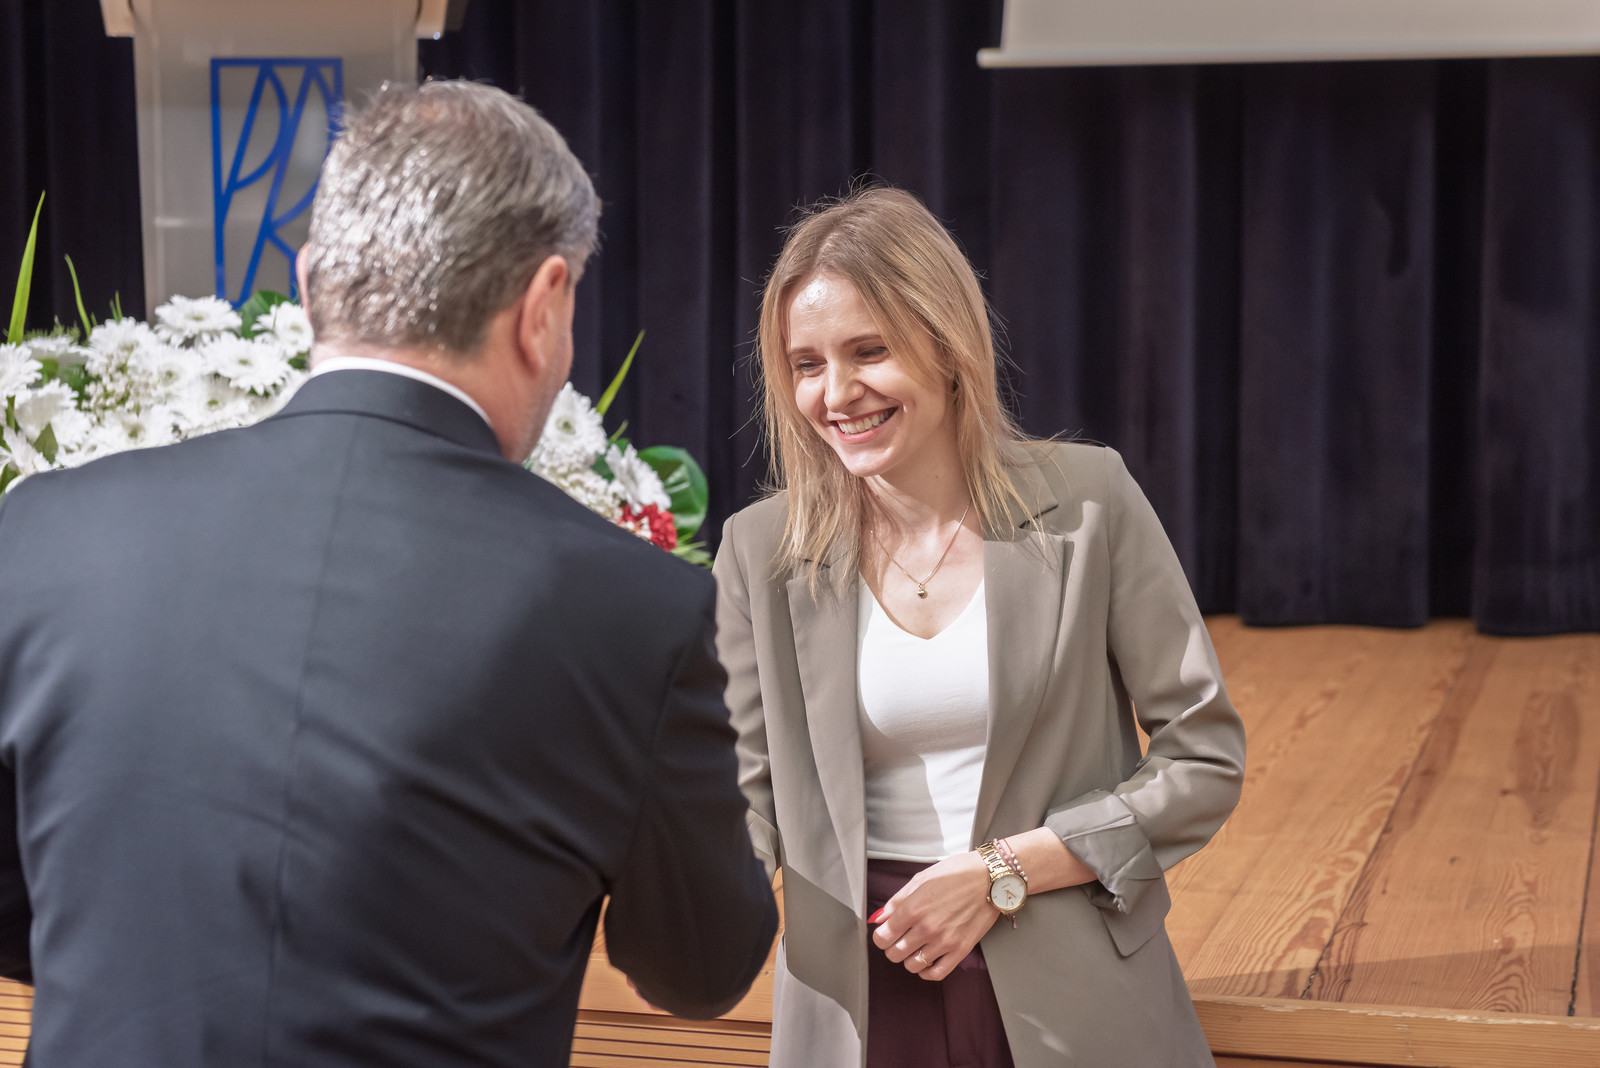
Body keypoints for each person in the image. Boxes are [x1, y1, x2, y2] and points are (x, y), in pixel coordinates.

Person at [0, 81, 777, 1067]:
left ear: (310, 281)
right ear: (543, 306)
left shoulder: (47, 530)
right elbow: (702, 965)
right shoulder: (632, 608)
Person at [713, 187, 1247, 1067]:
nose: (836, 393)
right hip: (856, 994)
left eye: (869, 351)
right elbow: (742, 798)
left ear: (946, 342)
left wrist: (1005, 870)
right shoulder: (758, 550)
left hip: (1069, 977)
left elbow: (1204, 757)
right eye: (806, 364)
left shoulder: (1089, 503)